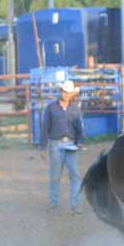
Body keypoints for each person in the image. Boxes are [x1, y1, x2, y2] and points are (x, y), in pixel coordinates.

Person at [40, 81, 85, 214]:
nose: (65, 94)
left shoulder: (75, 109)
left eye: (68, 92)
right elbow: (45, 128)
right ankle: (54, 204)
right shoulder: (51, 108)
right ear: (61, 91)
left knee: (75, 176)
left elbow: (79, 128)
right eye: (64, 91)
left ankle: (75, 205)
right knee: (55, 176)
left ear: (72, 94)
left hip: (71, 144)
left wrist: (80, 141)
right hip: (55, 144)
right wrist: (42, 147)